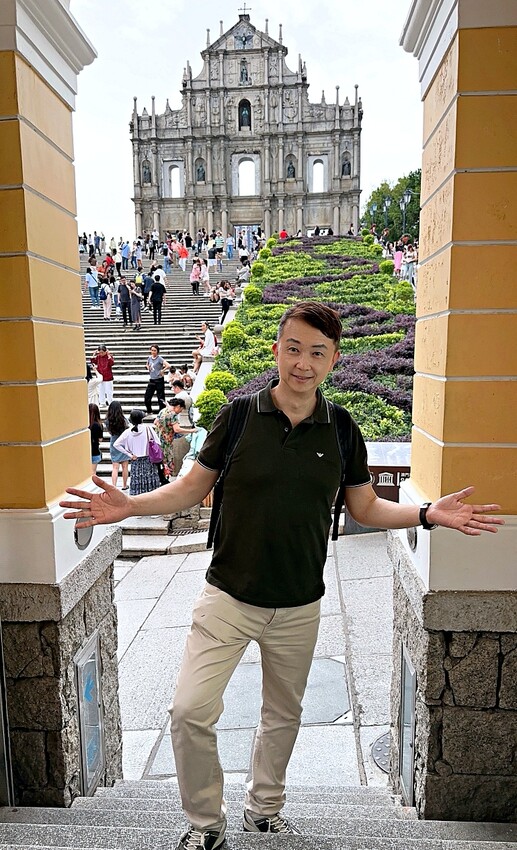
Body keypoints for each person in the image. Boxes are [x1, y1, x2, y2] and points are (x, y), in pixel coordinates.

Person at [60, 301, 504, 850]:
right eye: (293, 349)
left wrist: (427, 513)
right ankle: (206, 823)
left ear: (333, 360)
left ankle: (263, 812)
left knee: (283, 715)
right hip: (228, 598)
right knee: (188, 712)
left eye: (317, 352)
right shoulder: (238, 417)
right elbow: (192, 488)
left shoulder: (341, 429)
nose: (303, 363)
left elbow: (364, 507)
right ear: (276, 351)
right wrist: (129, 505)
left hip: (299, 604)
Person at [112, 409, 161, 496]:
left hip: (136, 460)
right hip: (148, 460)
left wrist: (129, 454)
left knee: (137, 487)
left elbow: (116, 444)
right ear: (141, 419)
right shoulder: (148, 429)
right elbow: (158, 442)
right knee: (150, 487)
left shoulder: (128, 432)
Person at [106, 400, 130, 489]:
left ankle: (114, 486)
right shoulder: (124, 420)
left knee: (115, 467)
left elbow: (109, 432)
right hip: (123, 443)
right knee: (125, 466)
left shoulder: (108, 421)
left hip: (114, 443)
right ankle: (124, 485)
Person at [145, 344, 170, 415]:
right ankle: (149, 411)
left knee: (160, 397)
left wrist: (162, 370)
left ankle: (162, 412)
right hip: (152, 379)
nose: (153, 352)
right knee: (147, 396)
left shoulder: (159, 358)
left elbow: (168, 365)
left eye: (155, 350)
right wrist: (147, 367)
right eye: (152, 350)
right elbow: (147, 364)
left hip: (159, 380)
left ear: (157, 351)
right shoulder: (149, 358)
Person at [88, 403, 103, 475]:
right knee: (93, 472)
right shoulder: (98, 425)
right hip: (95, 450)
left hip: (85, 451)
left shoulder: (86, 424)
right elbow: (100, 439)